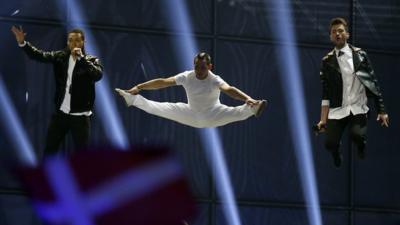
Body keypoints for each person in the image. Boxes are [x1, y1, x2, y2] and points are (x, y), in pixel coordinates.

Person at [11, 26, 103, 155]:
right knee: (50, 150)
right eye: (70, 40)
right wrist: (23, 43)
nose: (74, 43)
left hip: (81, 117)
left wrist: (82, 59)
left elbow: (97, 75)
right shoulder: (61, 56)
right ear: (67, 42)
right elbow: (40, 55)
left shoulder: (92, 60)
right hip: (61, 114)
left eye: (77, 40)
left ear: (83, 42)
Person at [115, 52, 266, 128]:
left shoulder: (215, 79)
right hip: (190, 113)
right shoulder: (187, 76)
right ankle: (132, 99)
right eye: (196, 67)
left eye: (202, 67)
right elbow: (163, 82)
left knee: (238, 112)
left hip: (213, 114)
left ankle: (254, 107)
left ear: (209, 67)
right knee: (159, 108)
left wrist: (247, 98)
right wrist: (139, 87)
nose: (199, 70)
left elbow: (229, 90)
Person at [316, 17, 389, 167]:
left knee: (357, 135)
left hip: (357, 107)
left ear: (347, 34)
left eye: (341, 31)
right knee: (329, 144)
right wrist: (323, 120)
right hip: (338, 109)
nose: (337, 34)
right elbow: (326, 93)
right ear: (330, 36)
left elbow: (373, 83)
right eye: (334, 32)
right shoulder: (327, 61)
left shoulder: (361, 55)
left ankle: (361, 145)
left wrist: (381, 111)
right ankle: (336, 153)